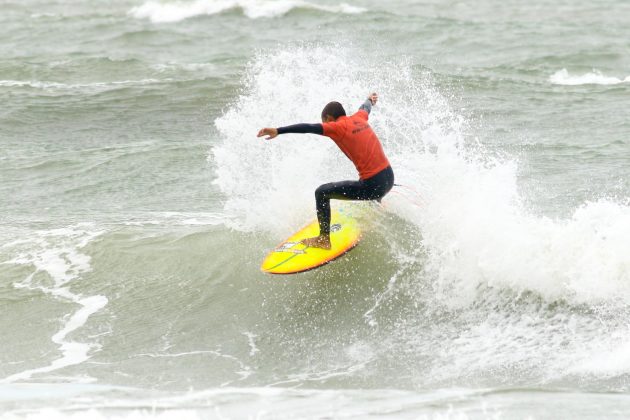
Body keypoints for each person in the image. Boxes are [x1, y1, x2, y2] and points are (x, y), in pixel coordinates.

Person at [257, 93, 394, 249]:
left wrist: (278, 130)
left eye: (325, 122)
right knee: (366, 177)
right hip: (389, 178)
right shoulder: (360, 118)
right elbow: (365, 108)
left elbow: (308, 128)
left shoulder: (337, 127)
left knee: (321, 192)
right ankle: (377, 205)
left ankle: (323, 240)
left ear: (329, 118)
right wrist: (370, 100)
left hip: (374, 185)